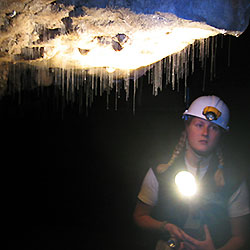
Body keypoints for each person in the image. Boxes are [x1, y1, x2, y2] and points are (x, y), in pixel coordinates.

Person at [133, 95, 250, 250]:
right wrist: (164, 227)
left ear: (221, 134)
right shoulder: (162, 170)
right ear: (187, 126)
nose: (205, 133)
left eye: (213, 127)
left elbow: (241, 237)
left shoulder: (232, 179)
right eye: (199, 125)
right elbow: (140, 216)